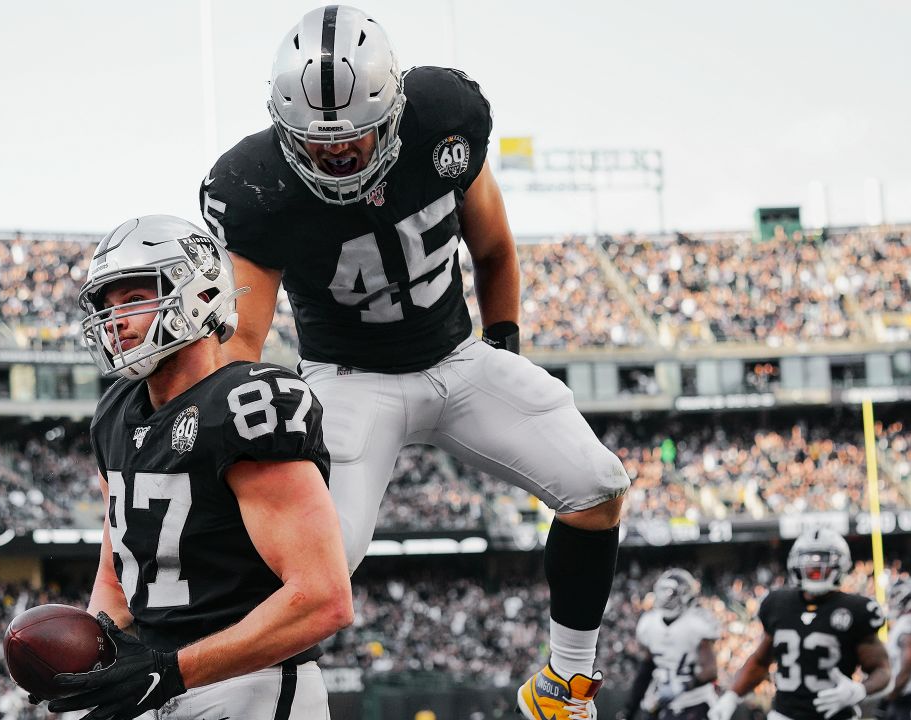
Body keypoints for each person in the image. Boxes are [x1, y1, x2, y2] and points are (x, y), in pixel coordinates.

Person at [199, 5, 631, 716]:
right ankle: (230, 700)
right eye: (317, 142)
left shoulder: (444, 118)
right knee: (320, 561)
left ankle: (563, 684)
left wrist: (504, 350)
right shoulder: (256, 187)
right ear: (284, 128)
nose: (337, 155)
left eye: (355, 136)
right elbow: (243, 339)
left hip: (457, 359)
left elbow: (492, 249)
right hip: (348, 380)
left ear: (395, 111)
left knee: (597, 485)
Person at [35, 215, 353, 720]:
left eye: (134, 299)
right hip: (164, 686)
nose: (115, 321)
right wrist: (87, 662)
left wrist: (171, 670)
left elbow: (323, 598)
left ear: (200, 294)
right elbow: (117, 580)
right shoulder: (114, 414)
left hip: (253, 684)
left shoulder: (250, 403)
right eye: (107, 306)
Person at [710, 528, 890, 720]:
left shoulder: (856, 609)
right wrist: (732, 695)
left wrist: (860, 690)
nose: (815, 567)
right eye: (809, 560)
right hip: (785, 715)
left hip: (836, 716)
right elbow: (761, 662)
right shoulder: (778, 603)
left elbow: (882, 669)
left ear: (841, 564)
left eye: (823, 560)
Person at [623, 569, 720, 720]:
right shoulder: (650, 623)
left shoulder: (698, 621)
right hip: (662, 702)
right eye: (665, 592)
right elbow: (647, 668)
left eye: (672, 593)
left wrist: (682, 686)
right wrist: (630, 709)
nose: (667, 598)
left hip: (695, 702)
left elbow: (710, 671)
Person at [882, 577, 911, 720]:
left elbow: (908, 663)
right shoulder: (903, 622)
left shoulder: (907, 623)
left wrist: (891, 695)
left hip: (905, 697)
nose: (892, 600)